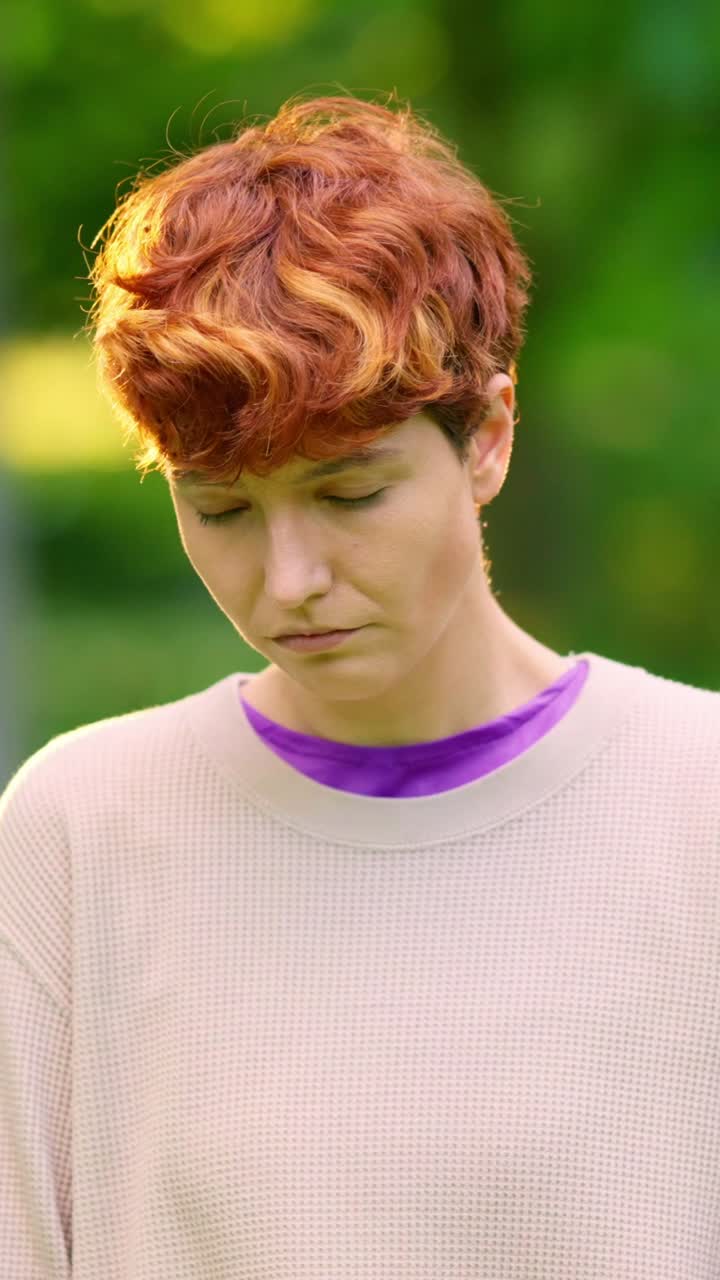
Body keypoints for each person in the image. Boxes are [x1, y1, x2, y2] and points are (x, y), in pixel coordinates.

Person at [2, 91, 719, 1279]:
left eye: (350, 495)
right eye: (220, 507)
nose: (289, 580)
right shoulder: (84, 831)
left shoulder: (699, 802)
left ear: (486, 436)